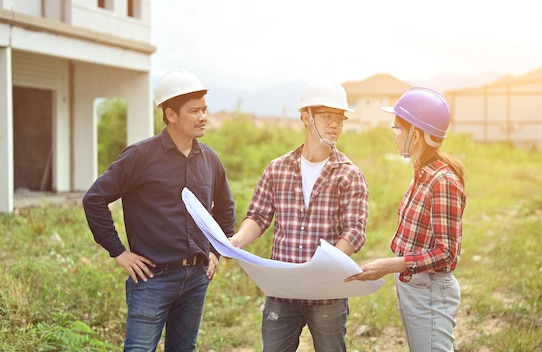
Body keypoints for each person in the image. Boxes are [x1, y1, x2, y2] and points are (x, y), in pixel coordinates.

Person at [82, 69, 236, 352]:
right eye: (194, 111)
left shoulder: (210, 159)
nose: (203, 117)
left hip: (196, 279)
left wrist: (216, 251)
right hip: (152, 278)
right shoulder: (140, 156)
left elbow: (225, 209)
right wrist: (118, 252)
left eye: (204, 110)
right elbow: (94, 199)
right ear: (170, 114)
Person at [229, 78, 369, 352]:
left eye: (339, 119)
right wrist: (236, 242)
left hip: (327, 292)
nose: (334, 125)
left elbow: (354, 230)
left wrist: (323, 267)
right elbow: (258, 216)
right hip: (282, 291)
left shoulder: (349, 174)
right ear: (306, 117)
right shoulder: (277, 168)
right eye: (327, 117)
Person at [345, 87, 466, 352]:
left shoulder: (443, 182)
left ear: (417, 134)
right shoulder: (421, 173)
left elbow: (447, 254)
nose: (394, 134)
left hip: (430, 291)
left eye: (398, 128)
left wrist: (391, 265)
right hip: (415, 286)